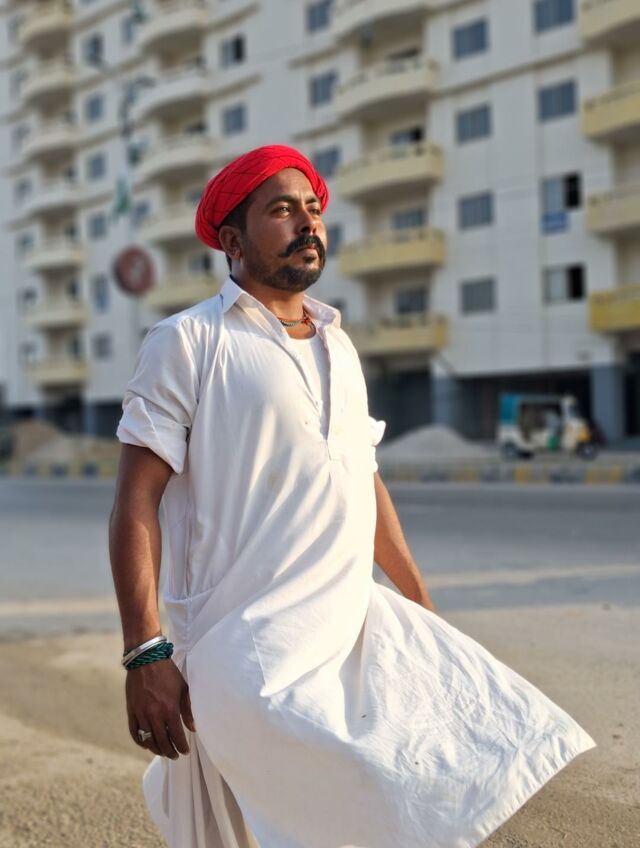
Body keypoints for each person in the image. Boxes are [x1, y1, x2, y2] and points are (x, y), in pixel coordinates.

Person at [109, 144, 594, 848]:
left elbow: (362, 480)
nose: (308, 223)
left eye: (313, 208)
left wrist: (424, 610)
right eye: (282, 210)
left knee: (448, 771)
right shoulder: (187, 341)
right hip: (243, 653)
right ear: (233, 240)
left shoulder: (339, 345)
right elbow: (135, 503)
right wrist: (144, 652)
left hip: (351, 632)